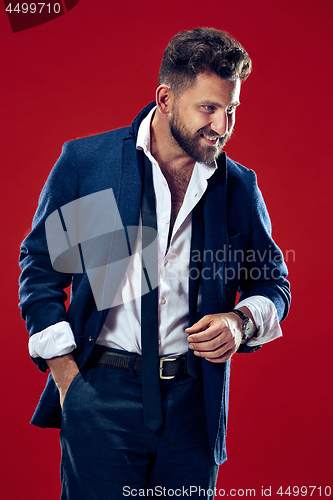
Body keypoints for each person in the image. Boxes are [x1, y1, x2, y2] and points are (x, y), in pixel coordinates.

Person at [19, 28, 290, 500]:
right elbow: (42, 267)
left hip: (193, 404)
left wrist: (241, 321)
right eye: (209, 107)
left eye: (231, 110)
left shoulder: (236, 187)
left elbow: (273, 285)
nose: (222, 125)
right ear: (165, 98)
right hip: (101, 395)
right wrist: (66, 377)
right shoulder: (95, 165)